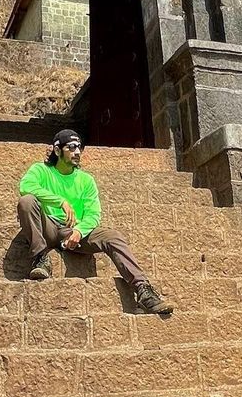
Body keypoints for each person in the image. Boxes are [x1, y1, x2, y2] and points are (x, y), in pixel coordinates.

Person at [17, 128, 174, 315]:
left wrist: (79, 232)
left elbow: (93, 215)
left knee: (113, 237)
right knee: (26, 202)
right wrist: (60, 201)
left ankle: (143, 290)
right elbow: (25, 186)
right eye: (72, 147)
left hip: (74, 231)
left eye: (79, 148)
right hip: (47, 226)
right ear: (57, 150)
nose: (77, 152)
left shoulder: (86, 180)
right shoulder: (41, 170)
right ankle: (40, 258)